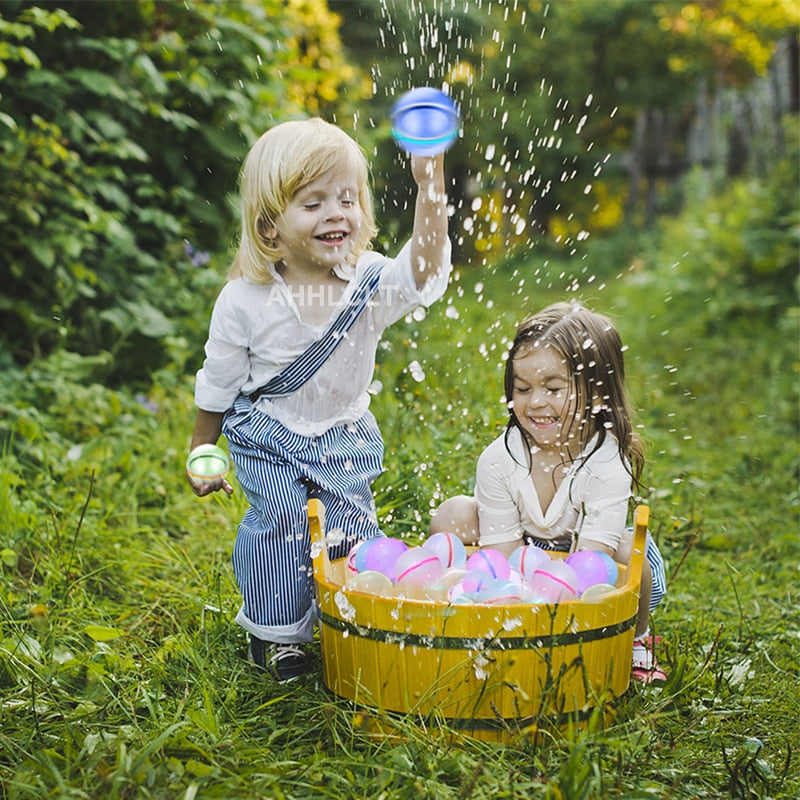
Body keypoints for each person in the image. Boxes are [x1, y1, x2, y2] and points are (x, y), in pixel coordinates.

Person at [188, 117, 451, 681]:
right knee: (282, 524)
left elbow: (423, 274)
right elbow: (218, 381)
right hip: (269, 431)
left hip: (344, 432)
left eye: (348, 199)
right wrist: (201, 452)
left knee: (349, 528)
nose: (337, 213)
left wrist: (431, 187)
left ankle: (345, 617)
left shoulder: (368, 281)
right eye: (313, 203)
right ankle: (275, 636)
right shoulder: (244, 301)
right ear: (269, 226)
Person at [430, 301, 667, 682]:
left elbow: (593, 566)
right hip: (527, 548)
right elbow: (502, 560)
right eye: (523, 389)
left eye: (553, 388)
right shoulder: (499, 460)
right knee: (453, 514)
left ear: (598, 394)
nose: (536, 402)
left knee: (628, 550)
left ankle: (637, 641)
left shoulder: (607, 463)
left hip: (599, 559)